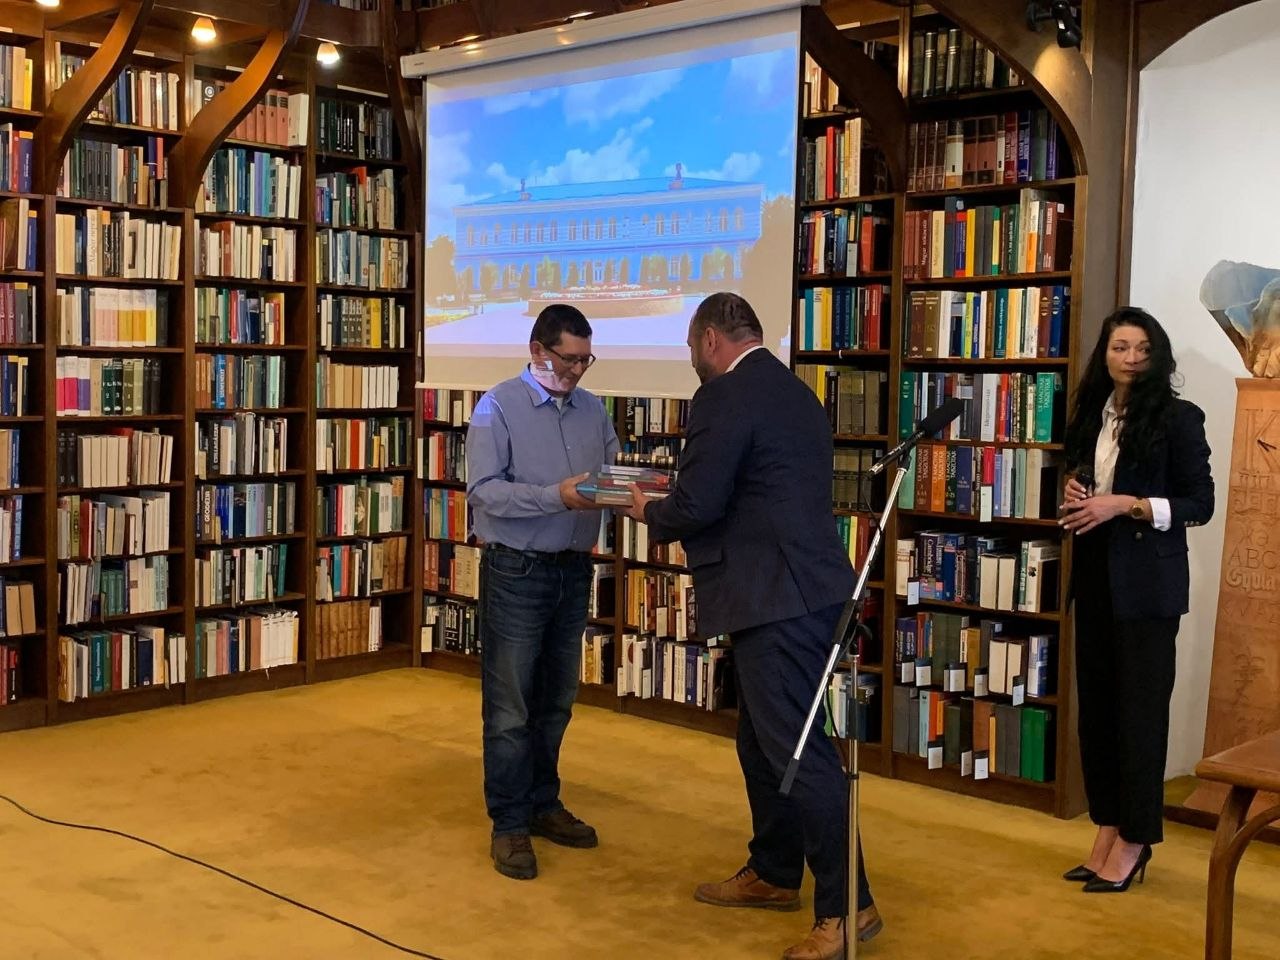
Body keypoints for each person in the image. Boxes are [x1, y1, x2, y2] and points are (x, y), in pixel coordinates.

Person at [623, 292, 880, 960]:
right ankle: (774, 870)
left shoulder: (724, 395)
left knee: (799, 755)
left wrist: (648, 511)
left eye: (689, 346)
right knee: (761, 744)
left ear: (710, 338)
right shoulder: (797, 393)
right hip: (805, 591)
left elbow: (698, 503)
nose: (692, 358)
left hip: (776, 598)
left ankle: (848, 908)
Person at [1058, 306, 1214, 893]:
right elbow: (1085, 486)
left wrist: (1126, 504)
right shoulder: (1092, 415)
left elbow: (1200, 504)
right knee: (1098, 714)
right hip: (1096, 575)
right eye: (1120, 347)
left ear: (1158, 356)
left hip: (1148, 586)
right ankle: (1108, 826)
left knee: (1140, 716)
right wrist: (1076, 490)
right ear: (1104, 354)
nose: (1130, 359)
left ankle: (1136, 837)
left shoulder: (1179, 418)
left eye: (1142, 349)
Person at [466, 303, 619, 881]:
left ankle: (542, 801)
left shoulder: (594, 409)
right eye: (568, 359)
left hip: (573, 570)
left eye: (585, 360)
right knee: (511, 707)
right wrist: (558, 496)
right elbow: (484, 492)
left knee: (556, 700)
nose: (577, 370)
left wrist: (639, 493)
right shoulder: (496, 406)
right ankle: (508, 823)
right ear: (537, 351)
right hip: (516, 570)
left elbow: (608, 479)